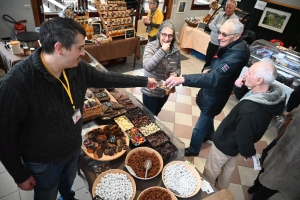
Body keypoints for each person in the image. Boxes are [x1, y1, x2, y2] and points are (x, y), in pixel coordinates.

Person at [0, 17, 156, 200]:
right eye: (80, 48)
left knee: (67, 184)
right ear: (59, 48)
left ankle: (68, 196)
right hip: (44, 162)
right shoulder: (15, 85)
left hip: (74, 148)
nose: (83, 53)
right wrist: (20, 175)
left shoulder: (77, 68)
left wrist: (144, 80)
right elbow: (4, 136)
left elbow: (106, 78)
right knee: (46, 194)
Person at [165, 19, 250, 156]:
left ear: (237, 36)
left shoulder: (236, 57)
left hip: (217, 94)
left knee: (200, 125)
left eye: (224, 34)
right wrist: (210, 68)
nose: (219, 37)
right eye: (220, 32)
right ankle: (210, 134)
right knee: (208, 114)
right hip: (213, 90)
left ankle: (193, 149)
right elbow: (219, 65)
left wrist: (183, 79)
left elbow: (214, 79)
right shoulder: (232, 45)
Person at [202, 59, 286, 190]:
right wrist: (239, 88)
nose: (245, 73)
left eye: (250, 72)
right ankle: (220, 191)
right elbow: (246, 98)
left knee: (210, 171)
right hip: (233, 147)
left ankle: (206, 192)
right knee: (228, 169)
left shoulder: (251, 111)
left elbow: (244, 136)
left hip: (225, 144)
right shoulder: (268, 95)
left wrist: (249, 152)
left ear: (259, 81)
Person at [248, 107, 300, 200]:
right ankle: (257, 194)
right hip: (291, 157)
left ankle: (255, 188)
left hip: (284, 146)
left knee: (269, 168)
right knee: (277, 180)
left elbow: (289, 115)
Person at [142, 20, 181, 116]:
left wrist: (175, 74)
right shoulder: (150, 47)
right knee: (148, 115)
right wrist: (162, 50)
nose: (166, 39)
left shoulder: (176, 50)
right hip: (151, 90)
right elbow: (147, 67)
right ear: (159, 34)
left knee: (156, 113)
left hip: (165, 90)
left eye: (170, 35)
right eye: (164, 34)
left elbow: (178, 68)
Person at [203, 0, 238, 72]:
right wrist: (221, 28)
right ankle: (202, 76)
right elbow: (211, 25)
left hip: (222, 47)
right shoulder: (220, 14)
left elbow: (228, 33)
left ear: (234, 8)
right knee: (207, 61)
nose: (227, 9)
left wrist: (218, 26)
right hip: (213, 43)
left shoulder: (235, 20)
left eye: (230, 8)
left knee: (215, 65)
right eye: (227, 7)